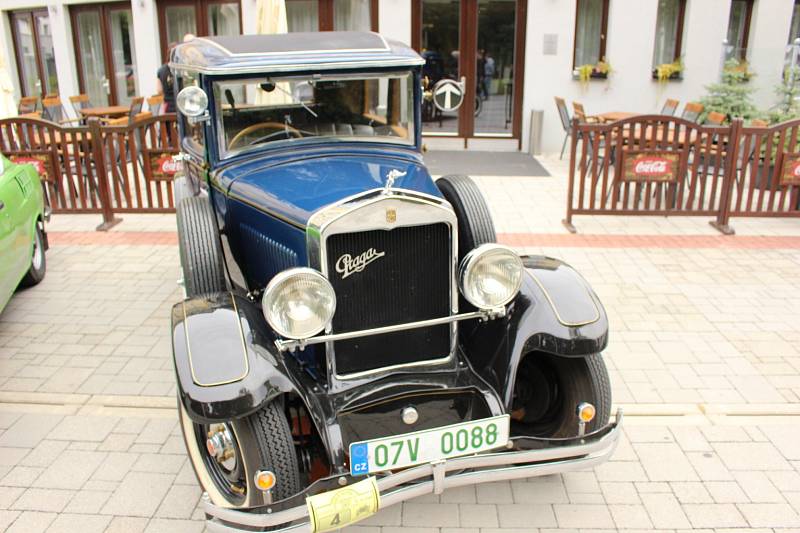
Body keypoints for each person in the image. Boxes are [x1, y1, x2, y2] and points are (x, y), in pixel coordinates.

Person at [156, 34, 196, 113]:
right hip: (183, 106)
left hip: (168, 108)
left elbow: (159, 90)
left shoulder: (161, 70)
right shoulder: (182, 68)